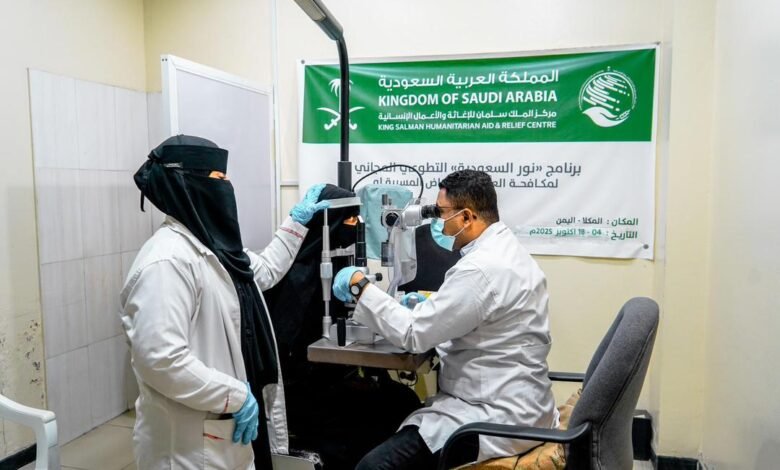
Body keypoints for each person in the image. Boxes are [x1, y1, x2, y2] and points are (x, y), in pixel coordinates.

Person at [120, 135, 329, 469]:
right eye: (218, 178)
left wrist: (296, 221)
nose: (226, 188)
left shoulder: (217, 249)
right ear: (187, 185)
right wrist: (235, 395)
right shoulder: (167, 262)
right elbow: (161, 360)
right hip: (190, 443)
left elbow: (265, 271)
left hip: (225, 422)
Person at [332, 169, 559, 469]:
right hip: (525, 404)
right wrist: (432, 306)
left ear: (466, 217)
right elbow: (481, 312)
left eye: (441, 213)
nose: (437, 221)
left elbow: (413, 334)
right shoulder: (507, 251)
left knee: (373, 466)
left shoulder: (480, 269)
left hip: (492, 417)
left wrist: (359, 287)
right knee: (393, 409)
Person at [262, 184, 422, 470]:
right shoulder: (298, 278)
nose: (356, 223)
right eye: (349, 217)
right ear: (330, 224)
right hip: (303, 395)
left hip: (332, 380)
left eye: (358, 216)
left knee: (404, 399)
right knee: (388, 409)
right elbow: (290, 354)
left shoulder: (338, 265)